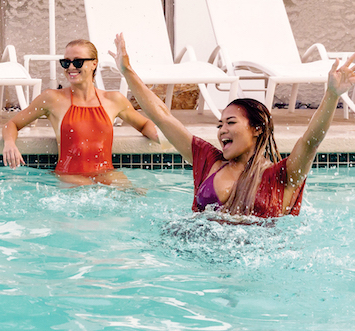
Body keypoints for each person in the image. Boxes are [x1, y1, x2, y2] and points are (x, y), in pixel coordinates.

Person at [111, 33, 355, 217]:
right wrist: (127, 71)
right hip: (200, 265)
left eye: (230, 122)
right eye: (220, 125)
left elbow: (311, 142)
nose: (222, 131)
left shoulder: (281, 176)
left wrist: (332, 94)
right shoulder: (208, 160)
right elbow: (164, 117)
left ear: (257, 128)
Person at [2, 38, 160, 186]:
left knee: (138, 197)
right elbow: (12, 124)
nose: (71, 67)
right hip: (70, 177)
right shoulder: (51, 99)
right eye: (66, 63)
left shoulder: (113, 100)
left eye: (77, 62)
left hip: (108, 175)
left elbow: (145, 124)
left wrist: (163, 138)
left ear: (94, 64)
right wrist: (9, 143)